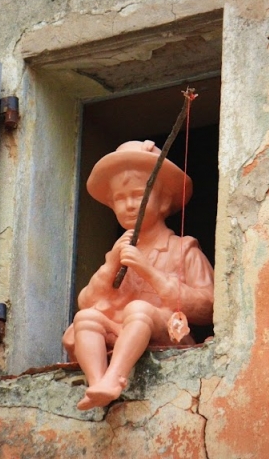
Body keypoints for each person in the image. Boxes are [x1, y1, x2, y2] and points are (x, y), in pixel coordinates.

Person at [62, 140, 214, 410]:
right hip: (121, 331)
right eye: (120, 198)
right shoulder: (118, 250)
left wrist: (149, 271)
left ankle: (115, 376)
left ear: (164, 198)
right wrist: (110, 266)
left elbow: (208, 307)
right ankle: (97, 383)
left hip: (165, 332)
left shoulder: (182, 248)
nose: (130, 204)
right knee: (85, 318)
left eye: (139, 195)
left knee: (140, 308)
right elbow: (87, 302)